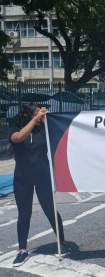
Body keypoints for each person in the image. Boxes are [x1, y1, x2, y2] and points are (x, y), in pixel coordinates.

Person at [10, 104, 70, 267]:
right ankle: (22, 249)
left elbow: (62, 134)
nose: (40, 117)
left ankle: (61, 242)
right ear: (29, 116)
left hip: (43, 175)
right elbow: (18, 138)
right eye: (36, 114)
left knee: (50, 209)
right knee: (24, 213)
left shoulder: (44, 129)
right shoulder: (17, 128)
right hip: (22, 177)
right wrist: (36, 118)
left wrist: (50, 119)